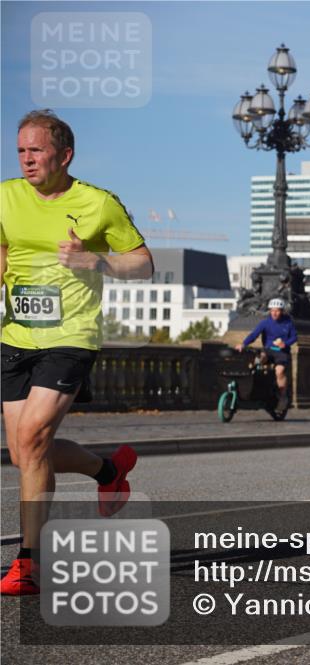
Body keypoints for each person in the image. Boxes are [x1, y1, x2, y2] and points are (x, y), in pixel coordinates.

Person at [1, 110, 153, 595]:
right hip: (15, 334)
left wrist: (96, 260)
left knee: (34, 435)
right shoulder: (5, 197)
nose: (27, 159)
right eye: (21, 149)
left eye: (37, 150)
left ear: (64, 155)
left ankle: (30, 561)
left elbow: (144, 264)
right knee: (25, 452)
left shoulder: (98, 203)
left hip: (70, 335)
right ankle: (108, 470)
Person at [236, 298, 297, 411]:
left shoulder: (288, 322)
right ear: (269, 311)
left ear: (282, 311)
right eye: (272, 310)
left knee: (280, 371)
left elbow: (294, 337)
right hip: (268, 350)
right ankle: (251, 386)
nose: (274, 313)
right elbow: (254, 335)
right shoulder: (265, 323)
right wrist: (243, 344)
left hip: (282, 353)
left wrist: (285, 344)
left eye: (277, 311)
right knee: (260, 359)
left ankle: (283, 397)